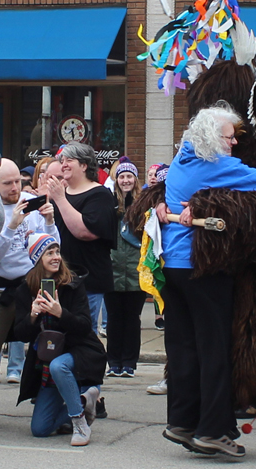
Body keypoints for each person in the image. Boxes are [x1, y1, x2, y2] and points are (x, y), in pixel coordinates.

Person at [157, 102, 256, 457]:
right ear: (211, 138)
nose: (234, 143)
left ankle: (182, 421)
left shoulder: (180, 161)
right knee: (214, 349)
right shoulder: (215, 166)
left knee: (183, 348)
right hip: (203, 266)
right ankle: (213, 431)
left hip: (172, 266)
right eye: (229, 137)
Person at [13, 233, 106, 446]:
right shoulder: (25, 290)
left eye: (57, 252)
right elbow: (21, 334)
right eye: (49, 253)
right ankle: (85, 401)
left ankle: (79, 423)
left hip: (80, 352)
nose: (56, 257)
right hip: (46, 357)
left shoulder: (72, 284)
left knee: (58, 366)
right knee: (40, 429)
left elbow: (84, 327)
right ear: (38, 259)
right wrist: (33, 316)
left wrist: (60, 313)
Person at [0, 158, 59, 370]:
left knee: (46, 346)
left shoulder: (30, 201)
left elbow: (54, 250)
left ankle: (42, 394)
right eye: (7, 183)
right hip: (1, 288)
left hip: (32, 285)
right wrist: (11, 227)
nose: (14, 188)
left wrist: (49, 222)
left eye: (17, 182)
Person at [47, 142, 117, 334]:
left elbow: (85, 232)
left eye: (69, 160)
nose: (64, 165)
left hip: (88, 279)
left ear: (85, 165)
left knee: (82, 334)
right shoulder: (60, 193)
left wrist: (60, 200)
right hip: (60, 277)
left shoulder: (100, 195)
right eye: (62, 161)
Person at [104, 157, 146, 378]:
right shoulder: (109, 203)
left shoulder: (142, 203)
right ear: (116, 179)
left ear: (135, 179)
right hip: (112, 268)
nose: (126, 180)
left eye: (129, 176)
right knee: (113, 319)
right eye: (122, 176)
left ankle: (129, 362)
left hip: (136, 268)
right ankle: (114, 362)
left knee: (132, 319)